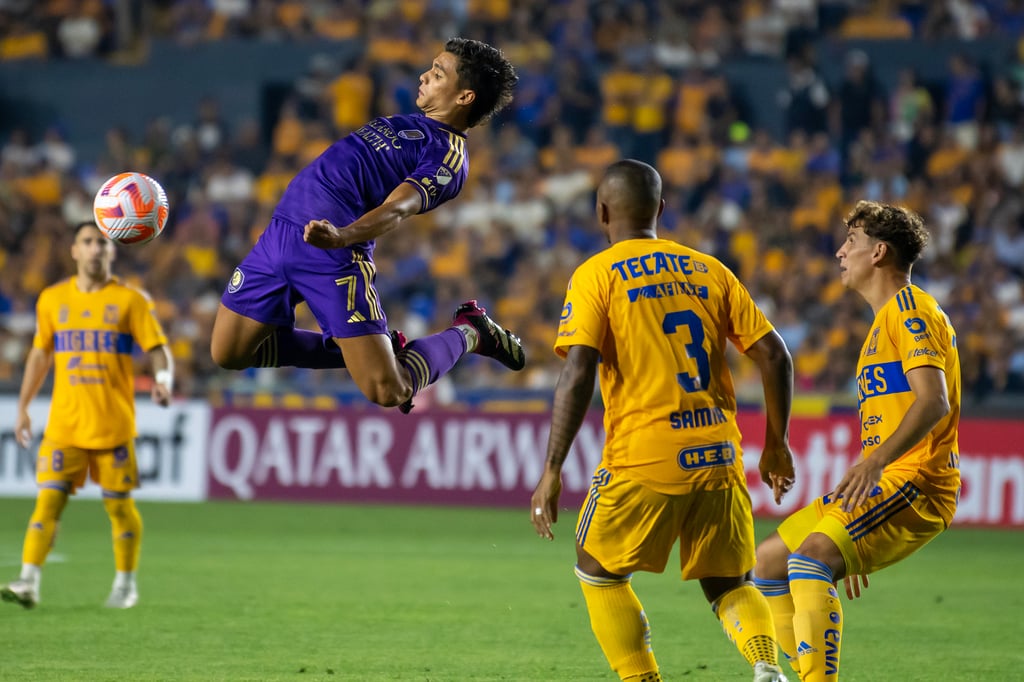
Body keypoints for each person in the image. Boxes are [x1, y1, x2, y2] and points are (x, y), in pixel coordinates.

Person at [530, 160, 796, 682]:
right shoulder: (708, 269)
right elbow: (775, 356)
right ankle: (766, 665)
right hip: (719, 456)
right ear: (660, 210)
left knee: (596, 570)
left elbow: (579, 370)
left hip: (643, 457)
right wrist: (777, 444)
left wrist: (552, 468)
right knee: (730, 581)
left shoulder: (596, 274)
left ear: (602, 211)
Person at [210, 38, 524, 412]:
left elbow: (397, 209)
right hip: (282, 234)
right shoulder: (409, 123)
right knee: (228, 352)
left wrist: (343, 237)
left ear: (464, 97)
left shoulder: (449, 157)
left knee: (390, 390)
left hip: (334, 255)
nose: (424, 75)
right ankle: (370, 349)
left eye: (438, 73)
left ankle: (470, 332)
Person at [752, 200, 961, 681]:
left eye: (852, 242)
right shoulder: (882, 323)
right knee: (769, 563)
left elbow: (934, 401)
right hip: (885, 486)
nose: (840, 252)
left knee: (809, 560)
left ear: (880, 253)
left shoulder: (910, 310)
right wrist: (853, 535)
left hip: (918, 482)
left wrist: (874, 466)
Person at [2, 221, 174, 610]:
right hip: (64, 425)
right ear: (74, 251)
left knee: (118, 506)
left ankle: (125, 585)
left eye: (103, 242)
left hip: (113, 426)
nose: (96, 248)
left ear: (112, 252)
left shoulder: (130, 300)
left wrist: (163, 379)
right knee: (47, 502)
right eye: (87, 242)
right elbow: (40, 353)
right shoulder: (52, 299)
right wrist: (24, 407)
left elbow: (158, 347)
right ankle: (28, 581)